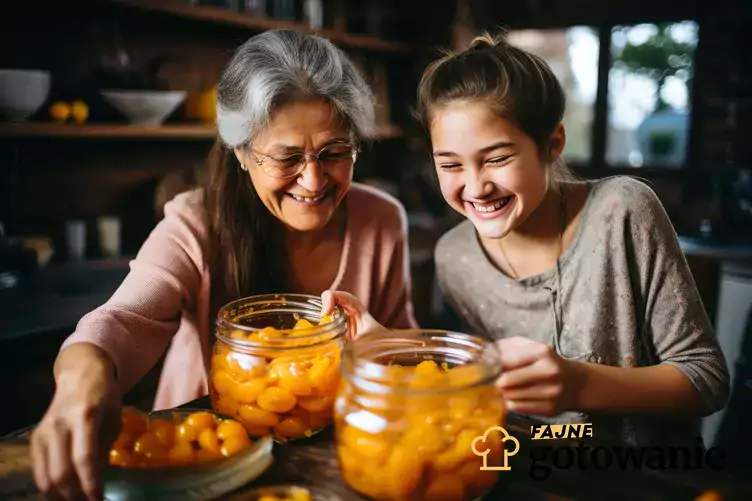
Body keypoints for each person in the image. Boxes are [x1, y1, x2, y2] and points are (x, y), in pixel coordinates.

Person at [31, 29, 417, 501]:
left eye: (335, 152)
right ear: (241, 152)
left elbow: (402, 344)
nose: (314, 180)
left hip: (335, 461)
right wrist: (81, 380)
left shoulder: (382, 220)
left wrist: (386, 349)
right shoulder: (195, 221)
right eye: (287, 156)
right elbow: (124, 319)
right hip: (204, 465)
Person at [324, 31, 729, 449]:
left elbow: (707, 380)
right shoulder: (455, 256)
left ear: (552, 144)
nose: (476, 187)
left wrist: (581, 385)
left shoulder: (623, 209)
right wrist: (387, 342)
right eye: (451, 165)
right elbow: (485, 380)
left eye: (497, 159)